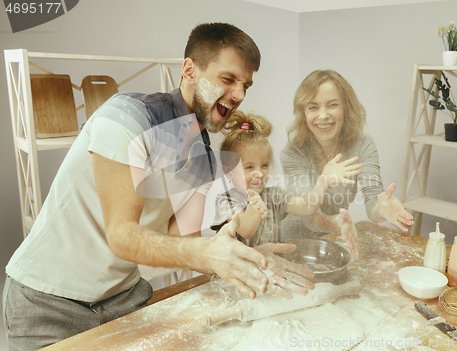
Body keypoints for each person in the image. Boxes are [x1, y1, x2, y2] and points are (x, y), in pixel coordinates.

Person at [3, 23, 312, 351]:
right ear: (189, 70)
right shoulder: (125, 118)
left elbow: (186, 243)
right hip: (47, 303)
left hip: (122, 299)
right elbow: (121, 234)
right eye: (228, 79)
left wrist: (241, 255)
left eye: (246, 85)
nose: (239, 95)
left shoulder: (200, 153)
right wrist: (207, 253)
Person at [280, 70, 414, 256]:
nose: (323, 115)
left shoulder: (362, 145)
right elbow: (307, 212)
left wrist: (381, 208)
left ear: (346, 107)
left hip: (332, 237)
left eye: (332, 105)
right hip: (291, 239)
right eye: (313, 107)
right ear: (303, 113)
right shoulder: (294, 150)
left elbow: (373, 199)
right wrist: (337, 221)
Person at [210, 111, 362, 254]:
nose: (259, 173)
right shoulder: (226, 200)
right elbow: (245, 229)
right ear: (228, 172)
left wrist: (323, 180)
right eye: (249, 167)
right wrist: (254, 209)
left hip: (269, 269)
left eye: (264, 165)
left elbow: (306, 206)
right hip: (235, 276)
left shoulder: (273, 195)